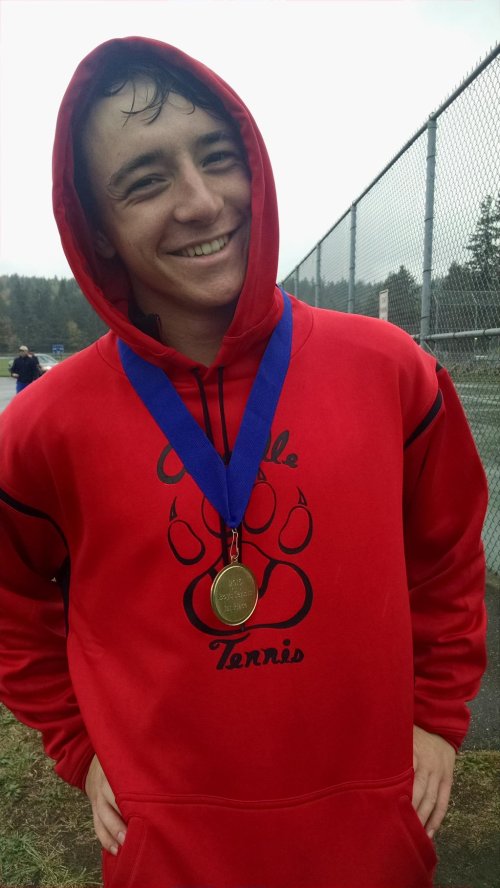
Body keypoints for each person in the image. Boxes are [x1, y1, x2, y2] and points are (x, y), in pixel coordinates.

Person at [0, 37, 488, 888]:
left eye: (218, 159)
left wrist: (439, 719)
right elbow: (9, 605)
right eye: (145, 181)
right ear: (99, 230)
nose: (199, 202)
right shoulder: (43, 428)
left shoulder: (393, 371)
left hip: (370, 830)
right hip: (168, 848)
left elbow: (444, 556)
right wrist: (79, 746)